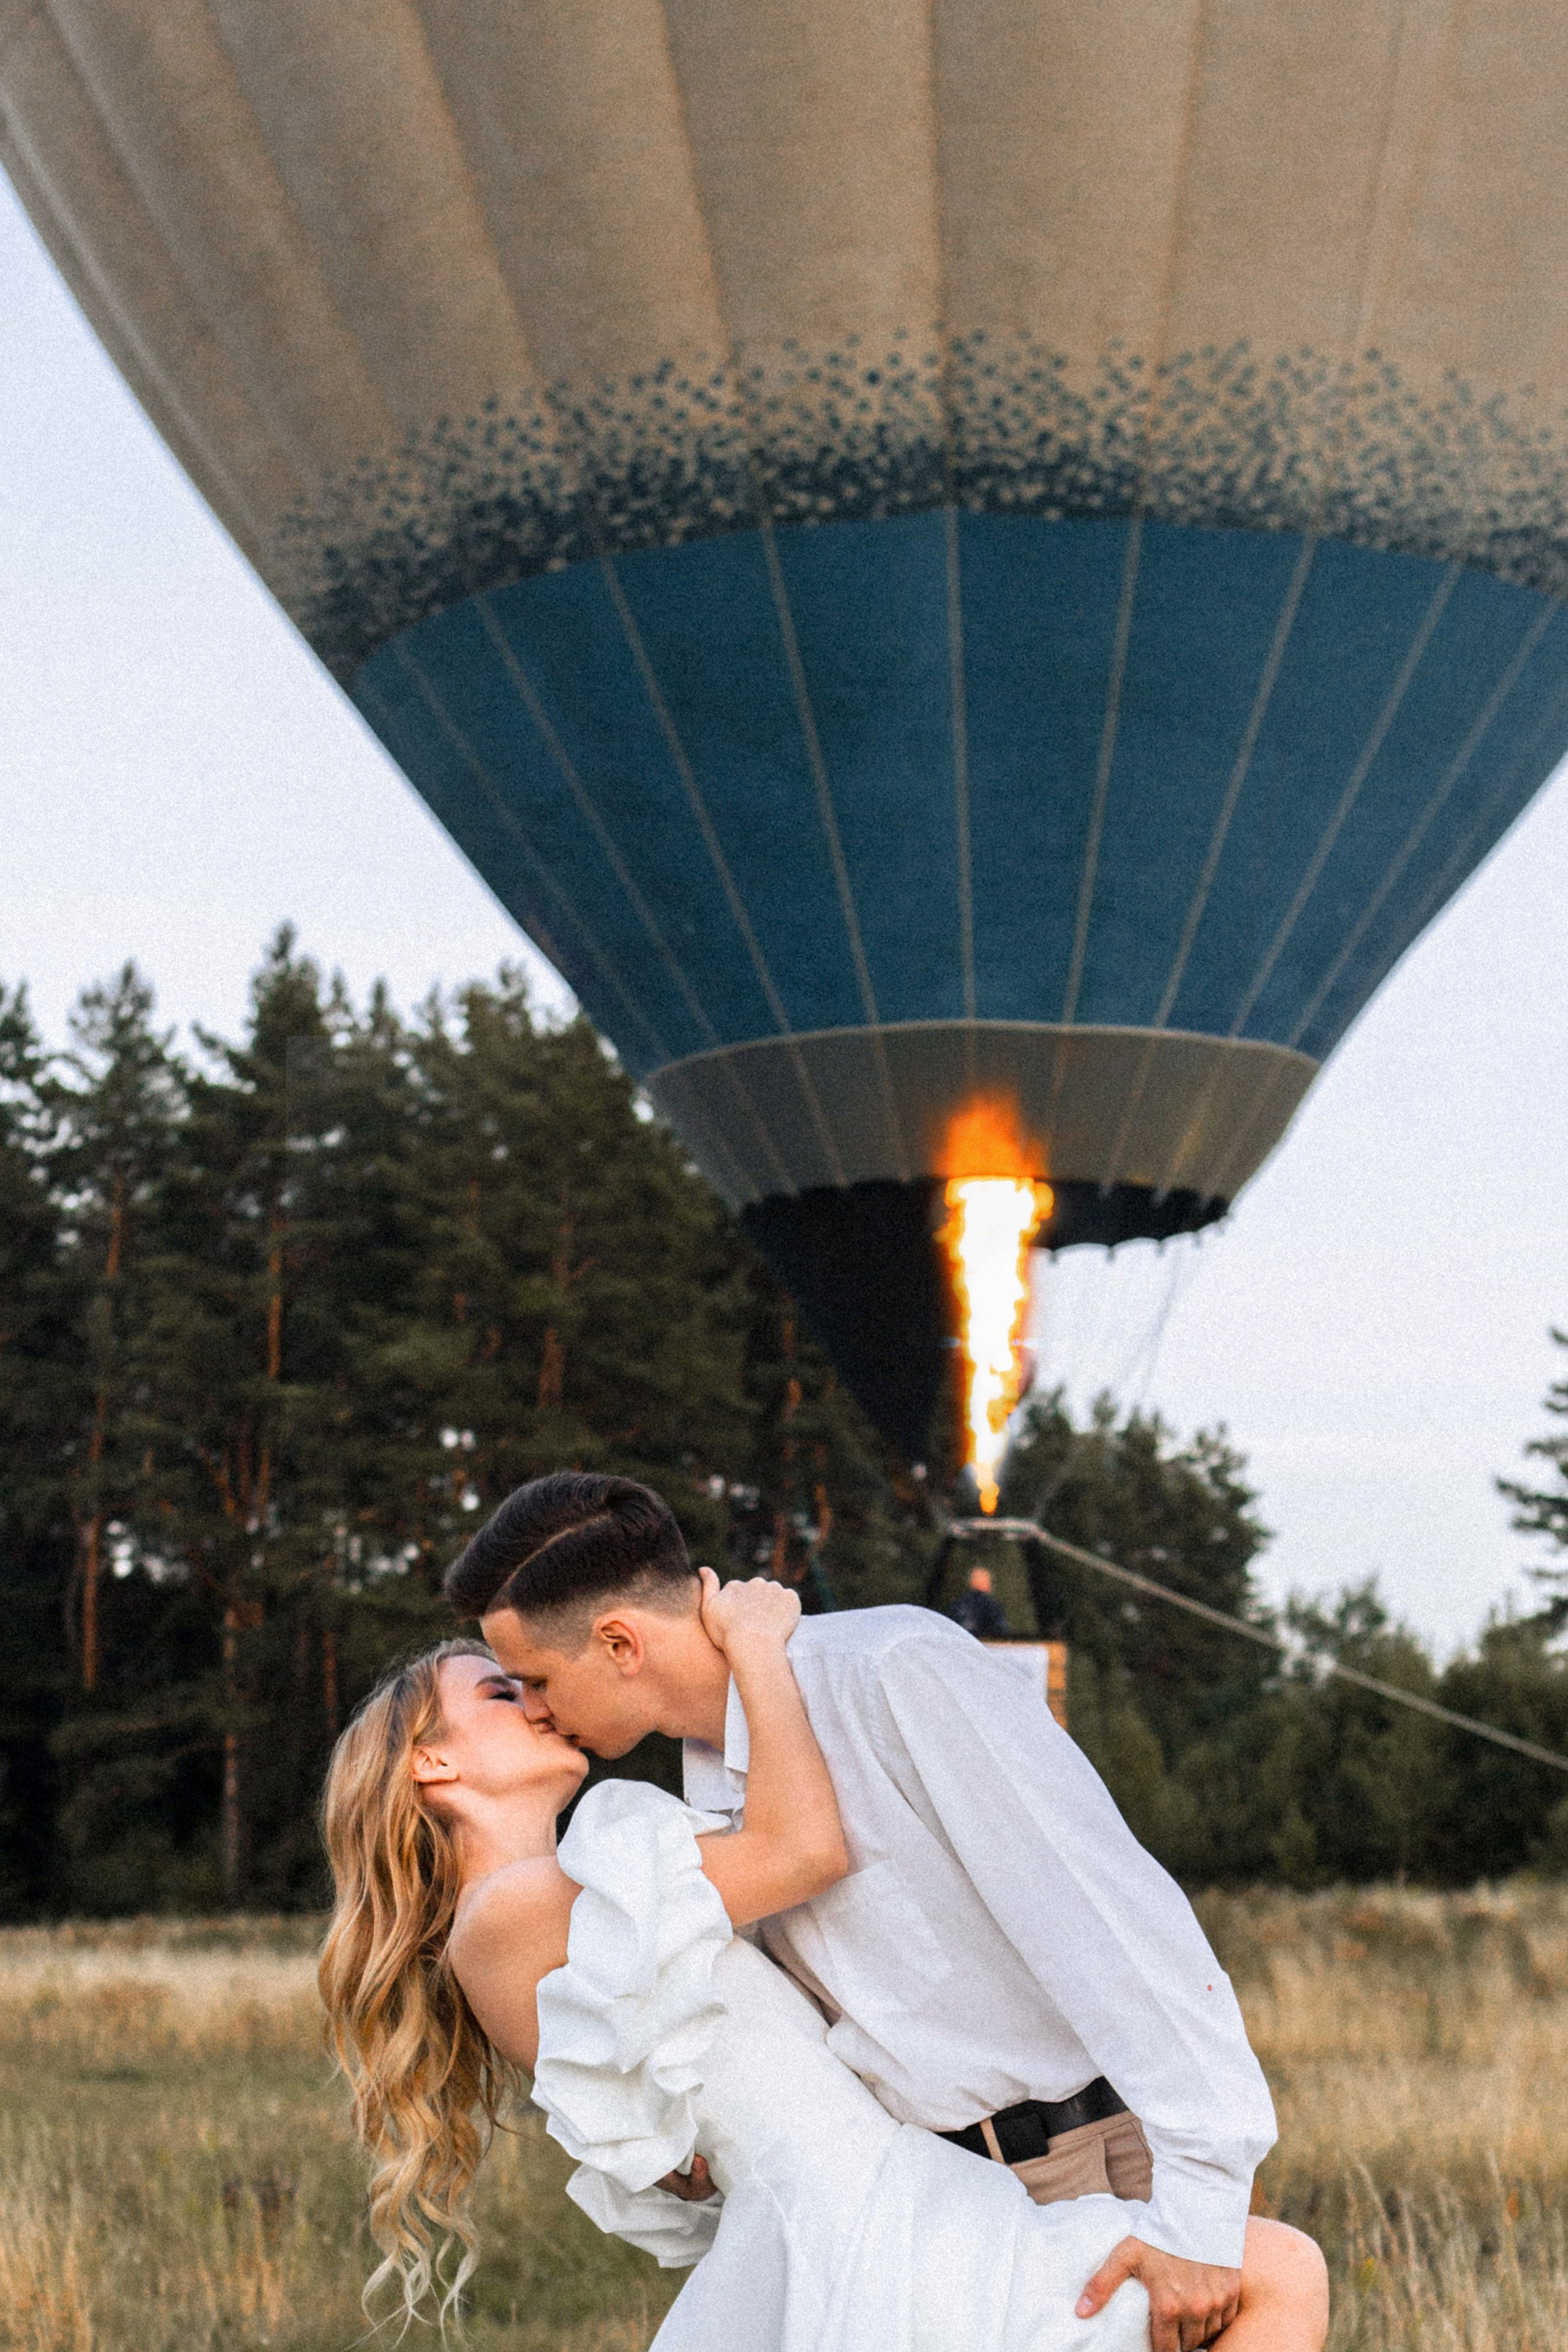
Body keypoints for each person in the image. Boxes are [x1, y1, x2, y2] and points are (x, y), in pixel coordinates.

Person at [447, 1473, 1327, 2352]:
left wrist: (1204, 2207)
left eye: (532, 1678)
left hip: (1089, 2159)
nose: (533, 1708)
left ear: (618, 1643)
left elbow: (1119, 1930)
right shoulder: (701, 1791)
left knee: (1281, 2279)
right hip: (925, 2219)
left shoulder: (890, 1675)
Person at [948, 1562, 1009, 1638]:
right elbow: (1001, 1633)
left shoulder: (957, 1605)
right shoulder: (992, 1607)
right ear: (985, 1583)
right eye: (989, 1581)